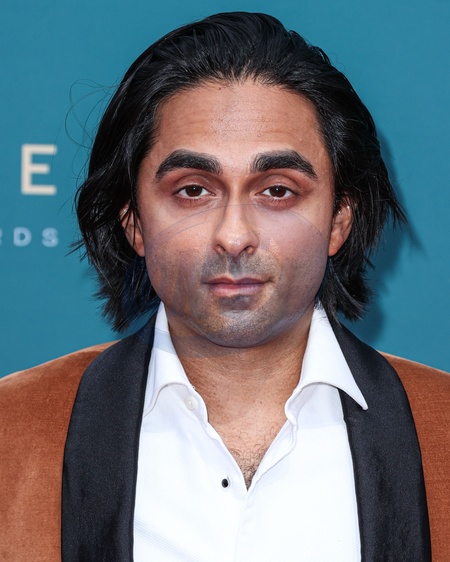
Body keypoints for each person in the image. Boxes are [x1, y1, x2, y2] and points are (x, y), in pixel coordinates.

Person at [0, 12, 448, 562]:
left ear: (339, 220)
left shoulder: (441, 426)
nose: (234, 236)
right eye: (193, 190)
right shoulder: (12, 429)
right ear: (133, 222)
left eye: (277, 191)